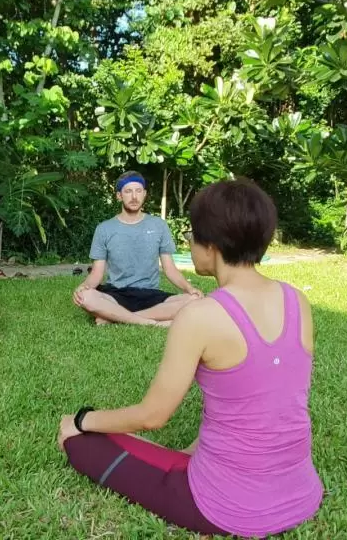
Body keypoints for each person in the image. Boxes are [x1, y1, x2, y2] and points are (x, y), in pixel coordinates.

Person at [57, 178, 323, 538]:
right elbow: (262, 400)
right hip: (302, 494)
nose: (189, 243)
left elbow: (152, 416)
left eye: (193, 236)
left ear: (209, 246)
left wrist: (85, 419)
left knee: (70, 432)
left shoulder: (200, 316)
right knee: (175, 451)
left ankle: (78, 427)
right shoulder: (298, 301)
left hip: (222, 507)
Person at [73, 171, 202, 327]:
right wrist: (83, 287)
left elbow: (170, 269)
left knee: (194, 300)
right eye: (128, 191)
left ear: (144, 194)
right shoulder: (104, 229)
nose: (134, 197)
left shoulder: (159, 226)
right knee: (86, 297)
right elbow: (97, 273)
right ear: (119, 196)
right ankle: (154, 322)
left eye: (138, 191)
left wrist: (189, 288)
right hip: (116, 294)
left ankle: (117, 317)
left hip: (150, 295)